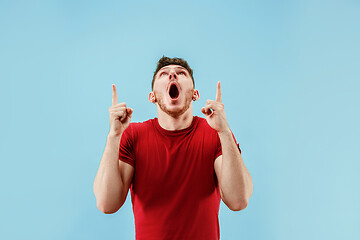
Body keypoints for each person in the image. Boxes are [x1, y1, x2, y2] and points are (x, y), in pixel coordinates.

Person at [93, 56, 253, 240]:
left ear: (195, 94)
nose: (172, 76)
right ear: (152, 96)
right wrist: (113, 136)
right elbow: (106, 204)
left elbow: (238, 200)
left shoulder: (215, 133)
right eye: (164, 74)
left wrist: (225, 131)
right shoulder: (133, 135)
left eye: (181, 73)